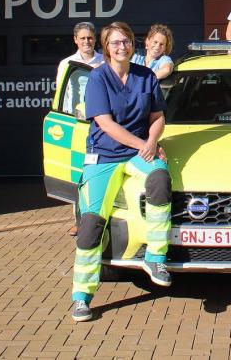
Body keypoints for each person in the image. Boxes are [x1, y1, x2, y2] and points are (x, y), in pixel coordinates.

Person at [70, 21, 173, 322]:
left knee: (159, 177)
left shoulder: (146, 76)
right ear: (106, 48)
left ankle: (155, 257)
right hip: (104, 156)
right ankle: (81, 296)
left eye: (126, 41)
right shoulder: (98, 77)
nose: (122, 47)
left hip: (138, 153)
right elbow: (105, 124)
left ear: (132, 44)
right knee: (91, 224)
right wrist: (145, 144)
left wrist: (152, 142)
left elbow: (157, 116)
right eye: (115, 42)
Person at [56, 22, 104, 236]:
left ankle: (98, 217)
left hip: (102, 123)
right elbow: (63, 93)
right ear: (75, 40)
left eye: (90, 38)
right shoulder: (67, 64)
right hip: (77, 124)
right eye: (83, 38)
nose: (87, 41)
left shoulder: (104, 60)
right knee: (78, 172)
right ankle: (79, 220)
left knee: (97, 170)